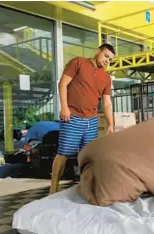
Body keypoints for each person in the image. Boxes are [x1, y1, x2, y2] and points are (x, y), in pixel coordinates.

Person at [49, 43, 115, 194]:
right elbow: (63, 84)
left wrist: (111, 124)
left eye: (110, 60)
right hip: (72, 117)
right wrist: (64, 107)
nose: (107, 61)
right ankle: (53, 189)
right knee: (64, 153)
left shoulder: (106, 78)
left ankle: (85, 188)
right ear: (97, 51)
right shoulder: (78, 62)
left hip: (91, 120)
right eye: (106, 56)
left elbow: (107, 103)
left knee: (88, 157)